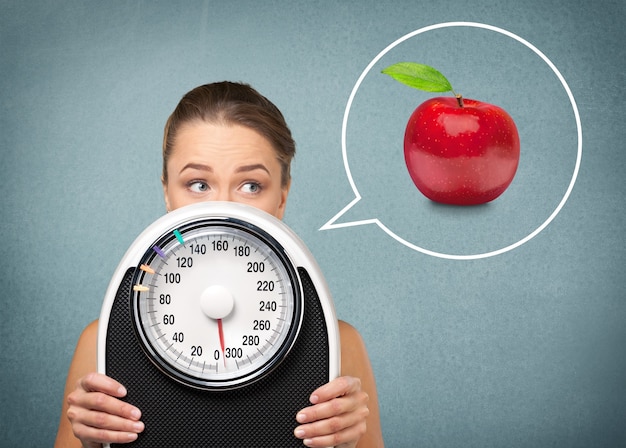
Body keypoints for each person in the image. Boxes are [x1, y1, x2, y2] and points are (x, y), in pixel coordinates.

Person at [54, 81, 384, 448]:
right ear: (167, 191)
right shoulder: (99, 342)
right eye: (198, 184)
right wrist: (92, 445)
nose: (223, 207)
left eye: (251, 186)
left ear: (282, 198)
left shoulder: (340, 344)